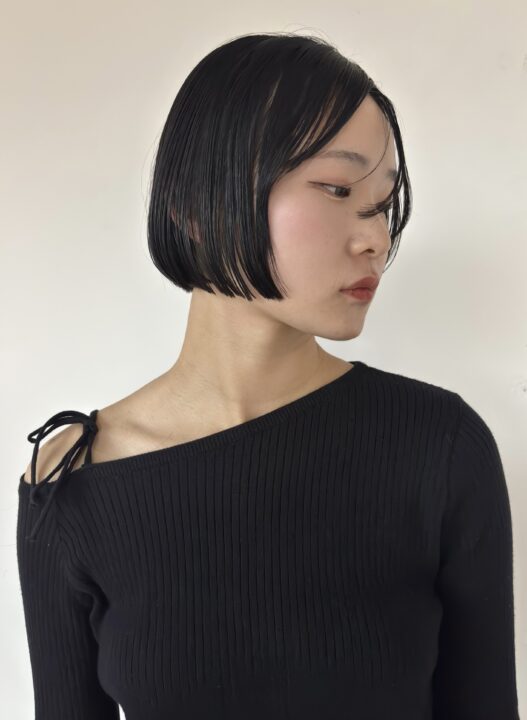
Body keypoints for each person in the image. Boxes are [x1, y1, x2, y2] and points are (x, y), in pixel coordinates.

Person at [16, 31, 519, 719]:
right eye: (338, 189)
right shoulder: (73, 483)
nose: (376, 238)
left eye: (381, 204)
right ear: (200, 203)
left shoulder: (438, 446)